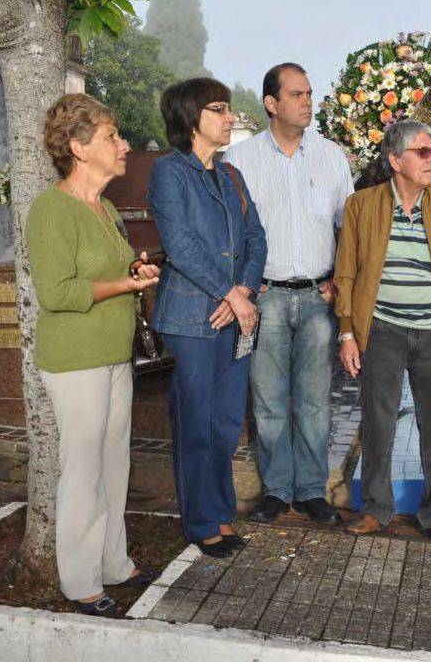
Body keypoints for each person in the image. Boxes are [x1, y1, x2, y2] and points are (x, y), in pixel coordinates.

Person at [27, 93, 162, 617]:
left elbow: (111, 275)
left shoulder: (104, 207)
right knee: (82, 471)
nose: (123, 144)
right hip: (75, 360)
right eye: (112, 136)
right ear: (80, 147)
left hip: (111, 354)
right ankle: (80, 580)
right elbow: (58, 293)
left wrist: (135, 275)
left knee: (113, 464)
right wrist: (119, 284)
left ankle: (114, 563)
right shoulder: (51, 207)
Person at [223, 63, 354, 525]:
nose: (307, 102)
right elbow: (229, 229)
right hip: (267, 298)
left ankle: (311, 491)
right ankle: (277, 491)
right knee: (269, 400)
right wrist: (243, 279)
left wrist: (340, 277)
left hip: (319, 298)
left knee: (317, 401)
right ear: (271, 104)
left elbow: (349, 228)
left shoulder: (332, 157)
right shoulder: (241, 161)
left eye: (310, 93)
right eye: (296, 94)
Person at [335, 120, 431, 543]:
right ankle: (376, 508)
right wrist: (347, 333)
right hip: (382, 331)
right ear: (396, 160)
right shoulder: (361, 205)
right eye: (424, 152)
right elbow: (347, 273)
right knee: (379, 423)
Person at [148, 79, 267, 558]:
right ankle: (199, 522)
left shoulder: (230, 175)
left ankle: (221, 512)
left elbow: (256, 238)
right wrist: (231, 293)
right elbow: (181, 247)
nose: (228, 116)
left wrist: (242, 291)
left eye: (228, 108)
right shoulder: (168, 173)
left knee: (224, 424)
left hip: (234, 315)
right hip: (193, 319)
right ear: (189, 117)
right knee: (195, 425)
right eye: (218, 108)